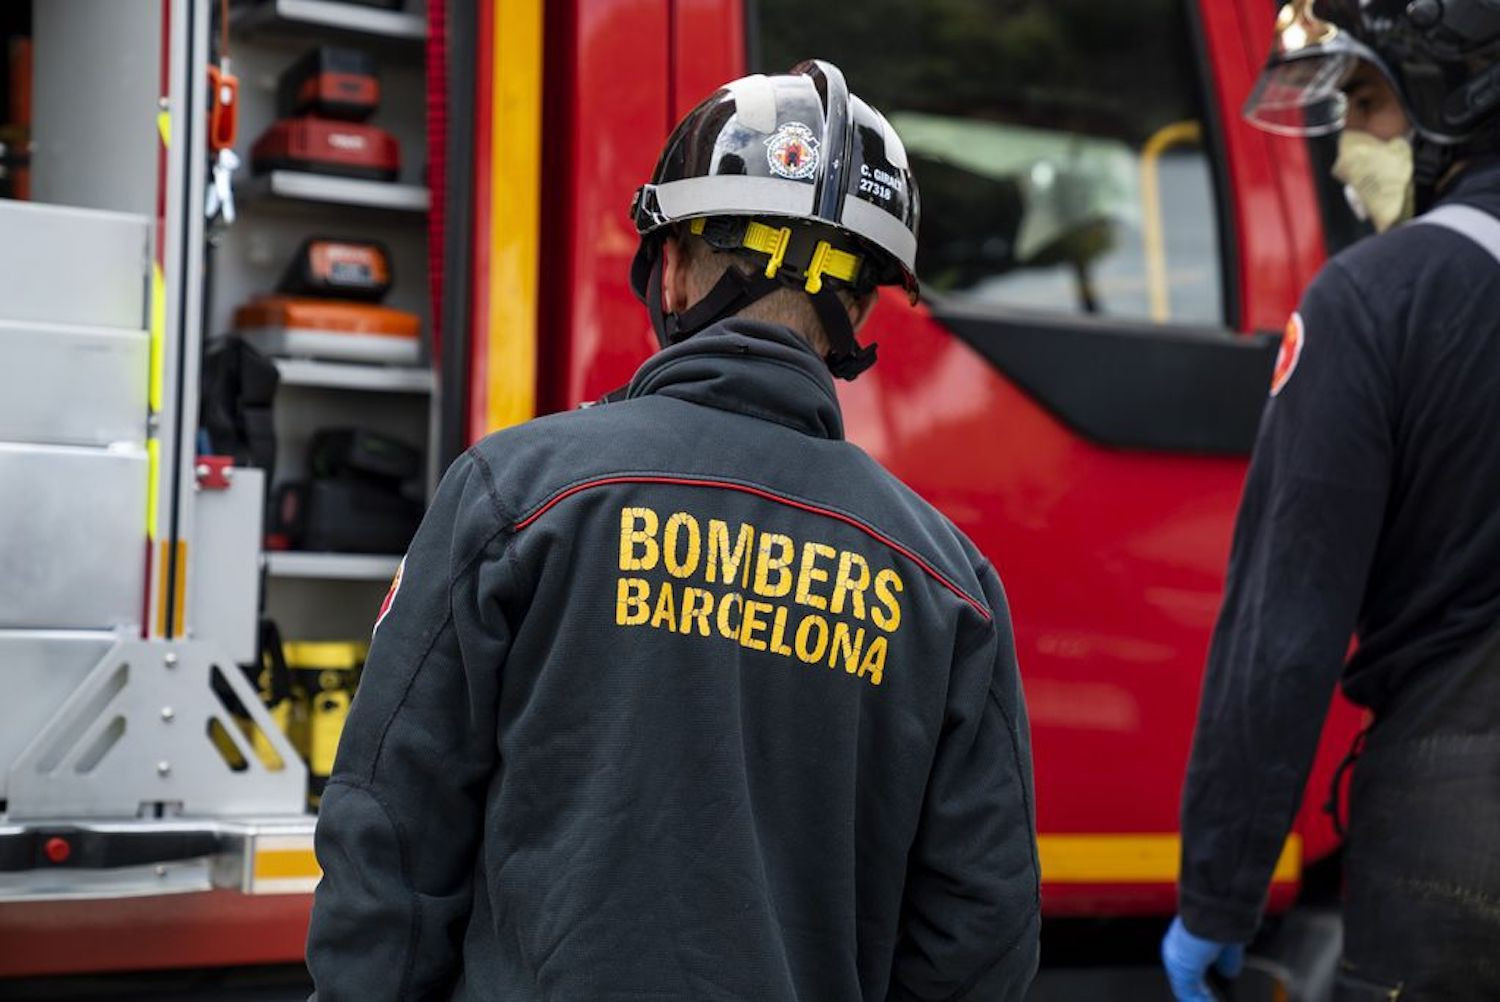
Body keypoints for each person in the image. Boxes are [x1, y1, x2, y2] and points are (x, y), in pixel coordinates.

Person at [306, 60, 1040, 1001]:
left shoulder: (515, 496)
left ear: (678, 269)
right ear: (856, 310)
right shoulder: (948, 586)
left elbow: (390, 838)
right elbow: (981, 933)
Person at [1163, 2, 1500, 999]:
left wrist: (1217, 897)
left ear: (1454, 87)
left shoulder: (1376, 298)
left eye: (1366, 99)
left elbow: (1282, 632)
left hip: (1458, 845)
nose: (1347, 144)